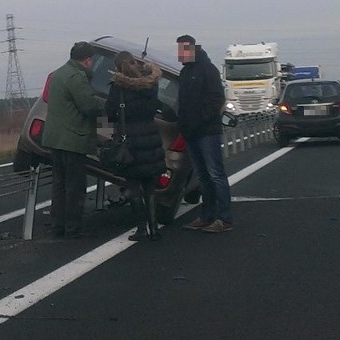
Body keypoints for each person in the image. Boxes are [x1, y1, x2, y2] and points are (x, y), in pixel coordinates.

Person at [41, 41, 104, 239]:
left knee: (59, 185)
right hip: (72, 140)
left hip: (55, 138)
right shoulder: (77, 77)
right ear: (87, 60)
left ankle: (57, 226)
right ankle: (73, 228)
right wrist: (109, 109)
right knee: (75, 187)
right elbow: (88, 106)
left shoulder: (58, 74)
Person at [176, 34, 234, 232]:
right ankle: (207, 215)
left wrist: (199, 120)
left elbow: (216, 98)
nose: (180, 54)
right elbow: (182, 103)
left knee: (215, 174)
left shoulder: (207, 70)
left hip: (207, 131)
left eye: (183, 49)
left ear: (192, 48)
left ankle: (224, 219)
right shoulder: (185, 73)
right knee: (202, 177)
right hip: (191, 132)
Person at [105, 51, 166, 241]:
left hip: (129, 140)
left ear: (118, 67)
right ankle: (154, 228)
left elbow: (110, 112)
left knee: (133, 186)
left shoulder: (118, 87)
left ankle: (141, 229)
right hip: (150, 137)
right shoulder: (151, 84)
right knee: (149, 185)